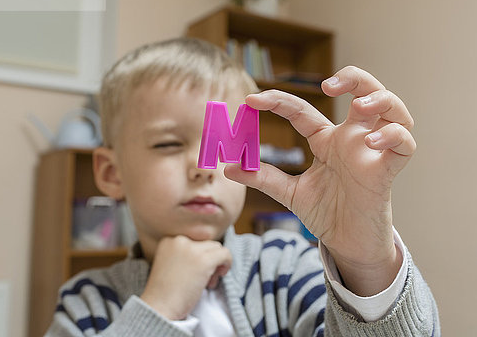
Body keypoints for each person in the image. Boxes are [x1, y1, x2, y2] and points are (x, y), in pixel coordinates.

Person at [46, 37, 440, 336]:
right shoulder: (86, 302)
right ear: (111, 173)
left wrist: (366, 262)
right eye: (168, 144)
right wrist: (158, 308)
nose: (203, 169)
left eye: (224, 146)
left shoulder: (284, 266)